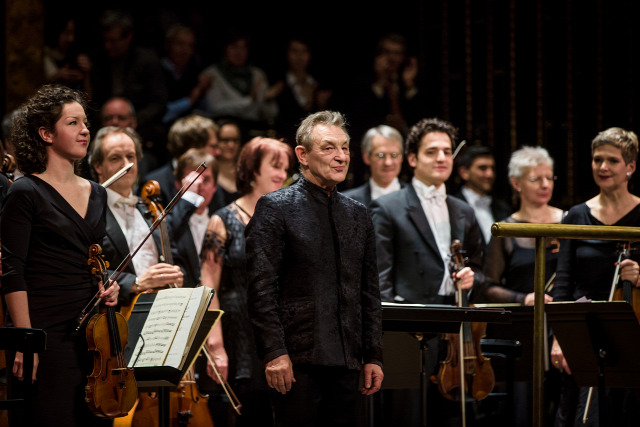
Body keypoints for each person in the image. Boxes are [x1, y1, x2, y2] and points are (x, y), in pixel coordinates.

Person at [244, 111, 383, 426]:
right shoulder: (275, 207)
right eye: (329, 148)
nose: (340, 157)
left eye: (345, 148)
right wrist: (274, 353)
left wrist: (373, 355)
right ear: (302, 155)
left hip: (349, 363)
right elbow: (261, 291)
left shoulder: (358, 214)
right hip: (296, 364)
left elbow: (369, 291)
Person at [1, 84, 119, 426]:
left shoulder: (98, 193)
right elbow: (12, 271)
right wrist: (25, 340)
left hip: (94, 339)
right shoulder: (25, 192)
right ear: (45, 133)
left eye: (85, 123)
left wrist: (108, 285)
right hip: (44, 334)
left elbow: (97, 258)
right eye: (72, 123)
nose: (85, 130)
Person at [369, 117, 483, 425]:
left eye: (447, 151)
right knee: (408, 415)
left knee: (451, 415)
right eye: (432, 151)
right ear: (412, 158)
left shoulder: (463, 210)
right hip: (410, 327)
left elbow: (482, 271)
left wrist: (472, 278)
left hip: (454, 330)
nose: (442, 158)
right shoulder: (388, 207)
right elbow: (381, 280)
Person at [199, 136, 294, 426]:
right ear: (252, 168)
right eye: (275, 166)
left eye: (285, 168)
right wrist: (215, 346)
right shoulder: (222, 220)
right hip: (238, 334)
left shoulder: (288, 218)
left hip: (281, 334)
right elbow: (208, 285)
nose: (282, 174)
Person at [551, 127, 640, 427]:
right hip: (585, 329)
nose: (602, 167)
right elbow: (563, 283)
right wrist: (559, 340)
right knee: (584, 416)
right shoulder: (576, 215)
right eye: (597, 159)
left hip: (634, 329)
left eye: (612, 160)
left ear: (630, 166)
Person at [481, 146, 563, 426]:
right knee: (523, 408)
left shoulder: (570, 221)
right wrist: (522, 297)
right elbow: (488, 286)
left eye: (549, 178)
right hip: (524, 331)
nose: (544, 185)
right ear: (516, 184)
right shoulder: (505, 229)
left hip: (563, 326)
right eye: (535, 179)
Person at [88, 126, 184, 313]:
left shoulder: (149, 209)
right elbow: (87, 270)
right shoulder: (90, 212)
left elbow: (175, 258)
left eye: (130, 157)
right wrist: (136, 283)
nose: (126, 164)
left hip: (161, 311)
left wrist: (177, 275)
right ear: (98, 166)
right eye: (115, 158)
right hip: (119, 315)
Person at [90, 9, 168, 166]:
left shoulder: (146, 60)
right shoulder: (99, 60)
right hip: (104, 131)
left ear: (128, 37)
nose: (108, 46)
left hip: (142, 133)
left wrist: (131, 121)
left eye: (113, 41)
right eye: (105, 40)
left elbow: (159, 103)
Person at [197, 32, 279, 137]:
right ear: (225, 49)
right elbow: (215, 108)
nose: (239, 52)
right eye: (234, 47)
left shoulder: (257, 75)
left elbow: (270, 114)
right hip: (223, 133)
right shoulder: (212, 74)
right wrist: (250, 100)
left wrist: (267, 99)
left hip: (253, 131)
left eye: (243, 48)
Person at [142, 114, 220, 208]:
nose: (218, 152)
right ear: (194, 148)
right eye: (213, 146)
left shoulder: (211, 180)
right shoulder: (155, 184)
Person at [167, 147, 218, 289]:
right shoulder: (169, 222)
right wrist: (189, 196)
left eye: (206, 180)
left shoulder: (223, 220)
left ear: (215, 186)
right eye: (193, 180)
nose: (199, 186)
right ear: (178, 184)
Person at [270, 37, 333, 146]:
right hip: (285, 143)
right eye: (294, 51)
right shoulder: (278, 83)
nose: (299, 57)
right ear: (287, 53)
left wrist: (322, 106)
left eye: (304, 52)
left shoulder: (317, 85)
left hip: (312, 144)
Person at [455, 145, 513, 247]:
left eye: (492, 168)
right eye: (483, 168)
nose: (489, 174)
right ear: (464, 173)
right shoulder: (452, 207)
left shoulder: (504, 209)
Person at [342, 124, 406, 206]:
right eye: (380, 155)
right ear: (366, 157)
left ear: (402, 157)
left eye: (394, 155)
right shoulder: (347, 202)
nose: (388, 162)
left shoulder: (417, 196)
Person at [161, 24, 211, 126]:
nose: (185, 50)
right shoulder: (157, 70)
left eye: (190, 46)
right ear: (167, 45)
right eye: (180, 44)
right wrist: (193, 97)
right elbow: (164, 113)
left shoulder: (193, 73)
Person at [210, 118, 243, 212]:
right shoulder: (208, 172)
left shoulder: (246, 171)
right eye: (225, 140)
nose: (231, 145)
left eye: (235, 140)